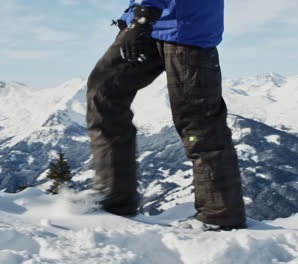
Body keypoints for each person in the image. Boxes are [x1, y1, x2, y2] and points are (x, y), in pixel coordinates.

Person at [86, 0, 246, 230]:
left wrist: (144, 14)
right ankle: (114, 196)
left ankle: (220, 216)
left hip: (186, 26)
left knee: (198, 123)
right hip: (151, 21)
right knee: (104, 92)